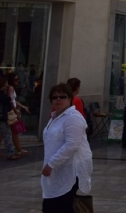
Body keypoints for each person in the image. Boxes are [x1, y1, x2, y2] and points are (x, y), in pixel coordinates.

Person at [41, 83, 92, 213]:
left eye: (62, 96)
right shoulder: (54, 117)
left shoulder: (73, 118)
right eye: (55, 97)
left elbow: (72, 145)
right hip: (56, 171)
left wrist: (51, 164)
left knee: (61, 206)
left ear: (70, 99)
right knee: (51, 206)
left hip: (70, 170)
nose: (58, 99)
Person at [0, 72, 30, 156]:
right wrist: (16, 112)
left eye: (18, 79)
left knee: (3, 132)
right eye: (16, 79)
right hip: (11, 112)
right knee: (13, 132)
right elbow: (11, 102)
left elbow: (13, 100)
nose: (17, 81)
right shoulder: (10, 89)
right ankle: (17, 151)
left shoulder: (9, 88)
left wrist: (22, 106)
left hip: (10, 111)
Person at [0, 75, 19, 160]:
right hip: (0, 118)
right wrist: (9, 94)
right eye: (5, 84)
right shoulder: (0, 94)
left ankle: (10, 153)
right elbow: (7, 101)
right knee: (7, 134)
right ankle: (10, 153)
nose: (7, 85)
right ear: (2, 84)